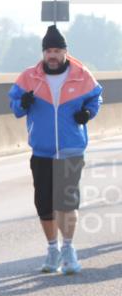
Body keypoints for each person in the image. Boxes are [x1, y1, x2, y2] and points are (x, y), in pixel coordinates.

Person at [9, 25, 102, 274]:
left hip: (71, 148)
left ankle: (69, 249)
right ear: (43, 53)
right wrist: (23, 103)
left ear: (65, 52)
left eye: (57, 50)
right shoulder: (29, 77)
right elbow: (15, 106)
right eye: (48, 50)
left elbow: (96, 97)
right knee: (45, 203)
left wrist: (88, 112)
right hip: (42, 150)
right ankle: (52, 248)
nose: (52, 55)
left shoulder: (82, 75)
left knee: (66, 202)